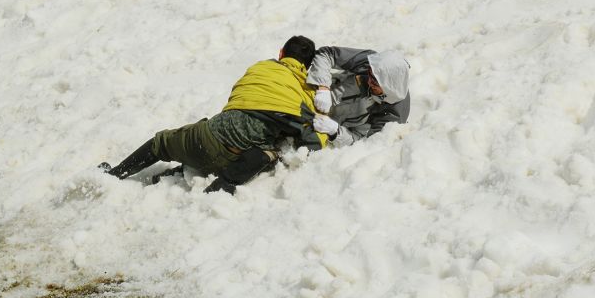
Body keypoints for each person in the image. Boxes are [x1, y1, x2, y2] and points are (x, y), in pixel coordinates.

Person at [100, 36, 328, 194]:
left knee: (160, 142)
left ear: (281, 53)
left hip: (203, 137)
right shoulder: (302, 94)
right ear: (307, 68)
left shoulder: (259, 68)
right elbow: (314, 138)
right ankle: (223, 185)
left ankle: (115, 174)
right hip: (234, 159)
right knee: (272, 151)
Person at [307, 46, 410, 146]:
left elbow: (363, 146)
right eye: (369, 74)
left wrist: (335, 131)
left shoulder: (392, 117)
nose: (369, 81)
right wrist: (323, 87)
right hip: (311, 92)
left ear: (387, 88)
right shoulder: (374, 62)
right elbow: (326, 54)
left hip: (321, 127)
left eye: (375, 81)